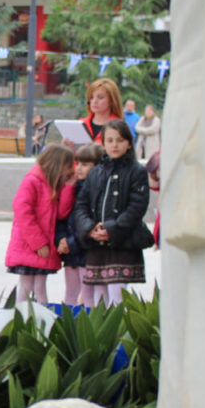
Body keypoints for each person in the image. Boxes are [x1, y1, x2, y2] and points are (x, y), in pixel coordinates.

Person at [72, 119, 152, 307]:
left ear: (128, 143)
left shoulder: (137, 171)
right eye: (110, 140)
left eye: (120, 140)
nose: (114, 145)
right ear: (104, 143)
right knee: (99, 296)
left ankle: (117, 334)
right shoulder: (96, 172)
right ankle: (102, 335)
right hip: (96, 244)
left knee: (116, 294)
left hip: (122, 243)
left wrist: (111, 229)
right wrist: (90, 229)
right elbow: (81, 205)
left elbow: (137, 207)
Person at [5, 144, 76, 305]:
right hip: (30, 246)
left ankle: (37, 322)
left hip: (42, 248)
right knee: (27, 285)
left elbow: (61, 213)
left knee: (40, 287)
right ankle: (22, 320)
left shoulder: (54, 185)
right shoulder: (32, 181)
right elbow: (22, 211)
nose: (71, 170)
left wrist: (68, 187)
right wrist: (38, 243)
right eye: (68, 166)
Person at [57, 143, 103, 305]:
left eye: (85, 165)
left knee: (88, 294)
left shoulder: (96, 192)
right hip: (70, 251)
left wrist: (71, 243)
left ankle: (87, 327)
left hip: (85, 251)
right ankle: (68, 327)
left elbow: (90, 224)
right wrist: (61, 239)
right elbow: (62, 214)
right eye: (77, 164)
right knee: (70, 293)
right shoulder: (73, 187)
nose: (78, 169)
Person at [80, 77, 123, 144]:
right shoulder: (81, 123)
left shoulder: (119, 127)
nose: (94, 101)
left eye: (100, 97)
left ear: (112, 100)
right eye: (91, 97)